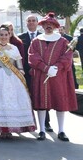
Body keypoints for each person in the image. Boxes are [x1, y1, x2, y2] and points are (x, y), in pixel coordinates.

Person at [28, 12, 78, 142]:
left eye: (51, 24)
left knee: (59, 102)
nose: (48, 26)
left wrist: (57, 67)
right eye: (46, 24)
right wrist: (46, 68)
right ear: (43, 26)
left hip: (58, 77)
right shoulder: (36, 41)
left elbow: (67, 56)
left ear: (55, 25)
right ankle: (42, 130)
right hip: (41, 75)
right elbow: (32, 56)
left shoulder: (62, 41)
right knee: (41, 104)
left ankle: (61, 130)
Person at [0, 25, 35, 139]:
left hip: (12, 78)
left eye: (6, 35)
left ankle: (11, 127)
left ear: (9, 35)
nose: (4, 37)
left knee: (11, 102)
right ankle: (2, 129)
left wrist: (21, 77)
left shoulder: (14, 48)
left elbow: (19, 67)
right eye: (1, 35)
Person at [18, 14, 52, 131]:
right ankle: (27, 122)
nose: (31, 23)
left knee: (44, 96)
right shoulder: (20, 38)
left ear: (37, 23)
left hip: (41, 72)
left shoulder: (45, 37)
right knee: (26, 97)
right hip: (25, 73)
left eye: (33, 21)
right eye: (29, 21)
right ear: (26, 23)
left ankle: (46, 123)